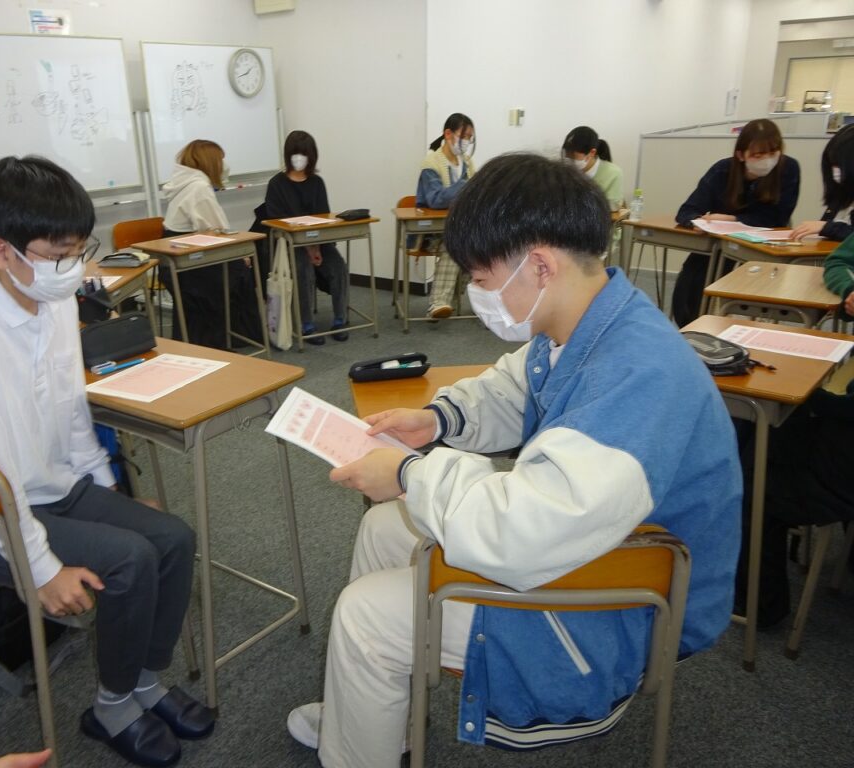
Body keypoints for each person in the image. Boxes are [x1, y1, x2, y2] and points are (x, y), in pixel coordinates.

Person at [286, 153, 741, 768]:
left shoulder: (639, 374)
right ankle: (369, 714)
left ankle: (363, 714)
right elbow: (509, 389)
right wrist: (437, 420)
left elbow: (524, 530)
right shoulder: (588, 323)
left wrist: (409, 473)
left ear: (541, 265)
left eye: (481, 276)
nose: (477, 293)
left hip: (622, 599)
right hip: (590, 548)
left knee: (365, 615)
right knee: (384, 526)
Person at [0, 156, 212, 768]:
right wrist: (41, 569)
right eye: (59, 254)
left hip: (54, 488)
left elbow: (74, 416)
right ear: (2, 251)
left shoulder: (49, 298)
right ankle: (112, 706)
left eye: (80, 250)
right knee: (131, 559)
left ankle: (142, 682)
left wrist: (113, 495)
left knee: (173, 538)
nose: (73, 267)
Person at [734, 381, 854, 628]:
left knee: (755, 490)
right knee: (759, 428)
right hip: (838, 440)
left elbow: (841, 407)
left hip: (838, 473)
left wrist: (805, 392)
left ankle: (762, 606)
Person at [670, 119, 800, 327]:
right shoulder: (722, 171)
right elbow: (687, 210)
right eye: (758, 155)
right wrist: (697, 222)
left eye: (773, 153)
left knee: (746, 292)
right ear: (741, 154)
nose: (767, 160)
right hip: (722, 243)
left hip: (765, 245)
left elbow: (776, 218)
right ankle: (690, 328)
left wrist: (732, 219)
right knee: (690, 287)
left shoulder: (788, 169)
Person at [160, 138, 251, 349]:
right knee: (242, 270)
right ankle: (233, 337)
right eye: (221, 159)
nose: (224, 165)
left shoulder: (183, 183)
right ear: (211, 161)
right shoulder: (199, 187)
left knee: (237, 266)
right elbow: (218, 230)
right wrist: (241, 256)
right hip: (192, 268)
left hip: (176, 263)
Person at [264, 130, 349, 345]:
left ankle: (340, 319)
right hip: (290, 244)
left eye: (304, 154)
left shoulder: (316, 182)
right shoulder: (276, 184)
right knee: (303, 269)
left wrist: (316, 247)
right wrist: (308, 248)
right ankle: (306, 324)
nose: (299, 159)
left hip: (318, 242)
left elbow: (323, 217)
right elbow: (276, 222)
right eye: (296, 154)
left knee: (338, 266)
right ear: (288, 155)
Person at [415, 112, 476, 319]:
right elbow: (435, 199)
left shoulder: (467, 163)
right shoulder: (431, 163)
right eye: (463, 136)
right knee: (454, 245)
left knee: (480, 246)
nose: (466, 142)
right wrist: (466, 185)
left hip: (459, 229)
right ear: (448, 134)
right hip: (430, 233)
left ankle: (459, 297)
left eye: (469, 138)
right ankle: (438, 303)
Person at [792, 123, 854, 242]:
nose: (835, 171)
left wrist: (827, 227)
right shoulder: (843, 192)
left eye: (839, 165)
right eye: (833, 164)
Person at [562, 125, 623, 209]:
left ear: (592, 153)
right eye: (567, 155)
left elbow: (613, 206)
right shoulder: (565, 171)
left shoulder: (613, 173)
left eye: (573, 156)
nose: (569, 160)